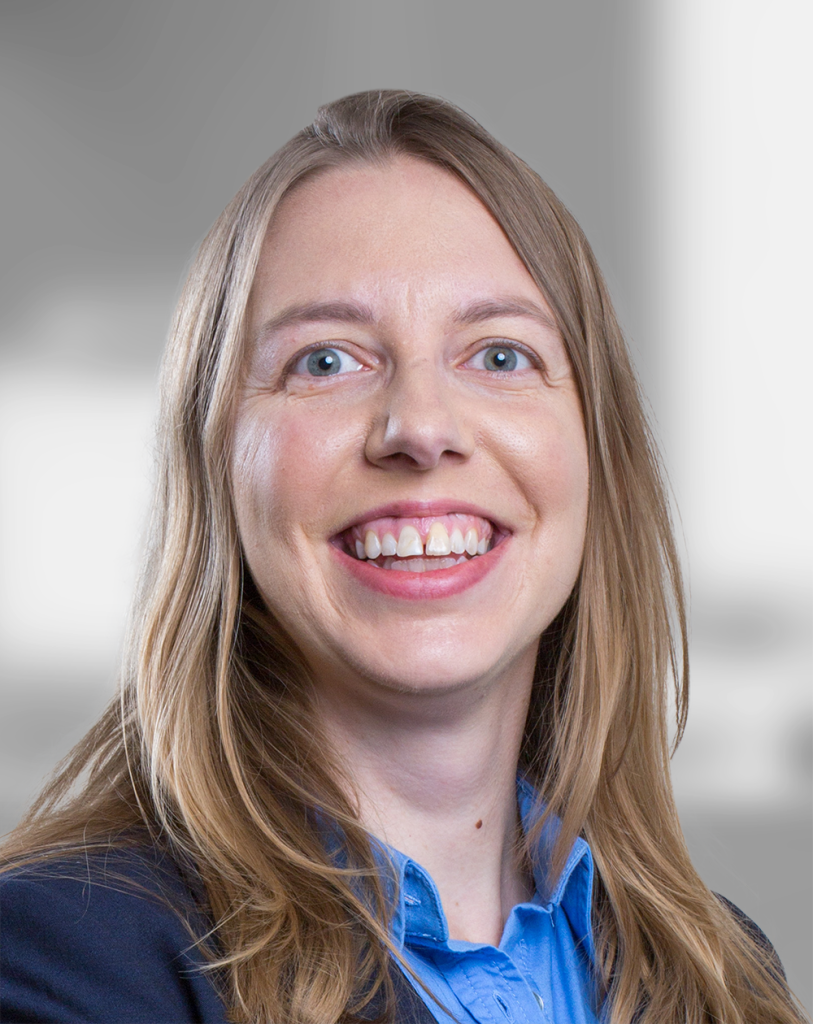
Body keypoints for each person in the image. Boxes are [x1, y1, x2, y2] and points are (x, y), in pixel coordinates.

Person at [0, 90, 807, 1024]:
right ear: (215, 464)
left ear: (597, 452)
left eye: (500, 355)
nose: (420, 428)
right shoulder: (65, 965)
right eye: (327, 360)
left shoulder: (723, 971)